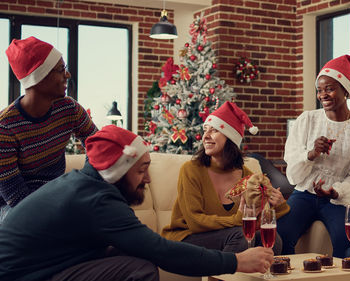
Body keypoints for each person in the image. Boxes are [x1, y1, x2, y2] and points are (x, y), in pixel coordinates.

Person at [0, 125, 274, 281]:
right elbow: (160, 250)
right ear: (118, 170)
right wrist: (235, 261)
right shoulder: (97, 200)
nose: (148, 180)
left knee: (127, 255)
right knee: (139, 269)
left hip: (34, 268)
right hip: (22, 277)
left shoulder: (84, 185)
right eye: (142, 170)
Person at [277, 55, 350, 257]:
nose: (323, 95)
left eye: (329, 88)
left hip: (337, 200)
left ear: (346, 90)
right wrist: (311, 154)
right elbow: (292, 163)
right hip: (303, 194)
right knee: (281, 235)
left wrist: (335, 191)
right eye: (320, 90)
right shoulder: (307, 119)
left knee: (348, 244)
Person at [162, 101, 290, 254]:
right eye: (205, 130)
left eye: (214, 130)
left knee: (272, 240)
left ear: (231, 138)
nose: (206, 136)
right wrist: (236, 220)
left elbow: (256, 219)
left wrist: (279, 205)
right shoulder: (191, 170)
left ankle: (261, 277)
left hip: (229, 237)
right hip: (187, 237)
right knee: (239, 236)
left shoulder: (248, 176)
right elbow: (195, 221)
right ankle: (223, 278)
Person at [0, 36, 97, 223]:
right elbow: (16, 198)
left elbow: (98, 143)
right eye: (61, 69)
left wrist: (89, 181)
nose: (67, 75)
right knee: (29, 223)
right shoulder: (5, 128)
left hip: (56, 195)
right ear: (39, 78)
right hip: (12, 208)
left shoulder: (69, 108)